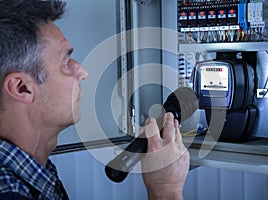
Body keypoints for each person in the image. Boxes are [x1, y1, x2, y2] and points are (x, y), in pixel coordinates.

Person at [0, 0, 190, 200]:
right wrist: (165, 190)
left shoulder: (35, 171)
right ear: (22, 87)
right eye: (65, 62)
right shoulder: (9, 192)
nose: (82, 72)